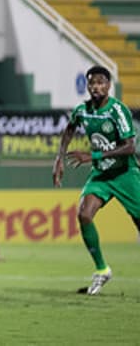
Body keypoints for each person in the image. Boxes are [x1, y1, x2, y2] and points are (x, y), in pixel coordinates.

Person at [53, 65, 140, 295]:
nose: (96, 87)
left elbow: (130, 147)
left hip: (125, 174)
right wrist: (59, 158)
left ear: (109, 85)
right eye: (92, 83)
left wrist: (93, 156)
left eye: (101, 82)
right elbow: (70, 129)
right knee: (83, 214)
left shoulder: (118, 111)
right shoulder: (83, 110)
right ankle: (102, 270)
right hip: (101, 175)